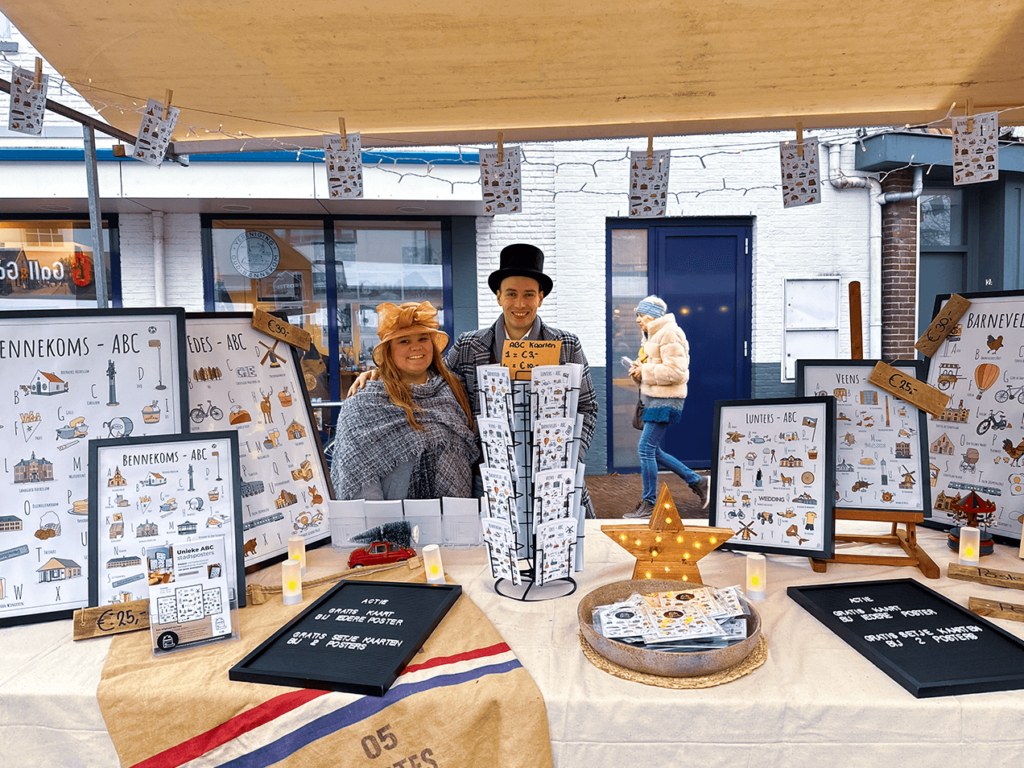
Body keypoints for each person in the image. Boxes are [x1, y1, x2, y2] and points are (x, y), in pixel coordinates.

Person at [350, 243, 599, 516]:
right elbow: (430, 377)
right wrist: (382, 374)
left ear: (540, 298)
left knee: (556, 553)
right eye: (511, 294)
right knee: (493, 554)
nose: (519, 304)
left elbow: (586, 407)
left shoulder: (567, 345)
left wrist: (571, 456)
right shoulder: (470, 345)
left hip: (552, 480)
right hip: (491, 480)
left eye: (529, 294)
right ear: (498, 296)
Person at [330, 301, 479, 500]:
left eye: (423, 338)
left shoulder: (453, 388)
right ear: (389, 350)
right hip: (397, 523)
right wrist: (384, 530)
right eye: (404, 341)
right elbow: (359, 479)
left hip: (456, 519)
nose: (416, 347)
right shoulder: (364, 401)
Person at [623, 295, 708, 518]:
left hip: (666, 399)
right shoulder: (652, 335)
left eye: (641, 315)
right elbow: (655, 370)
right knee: (653, 450)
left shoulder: (670, 333)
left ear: (652, 315)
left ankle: (649, 502)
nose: (638, 320)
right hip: (654, 397)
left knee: (645, 449)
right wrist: (639, 371)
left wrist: (646, 371)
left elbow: (678, 372)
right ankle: (698, 481)